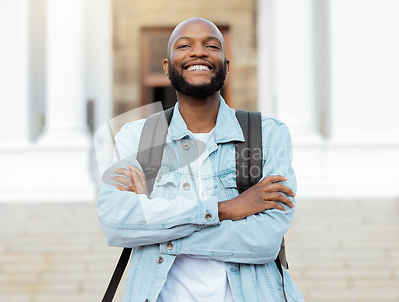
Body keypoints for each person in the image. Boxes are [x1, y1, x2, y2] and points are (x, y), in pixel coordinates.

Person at [97, 17, 304, 302]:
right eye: (184, 45)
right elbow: (116, 221)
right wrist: (224, 209)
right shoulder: (139, 138)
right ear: (167, 67)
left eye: (211, 45)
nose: (198, 52)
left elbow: (264, 242)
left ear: (226, 65)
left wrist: (157, 232)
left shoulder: (267, 135)